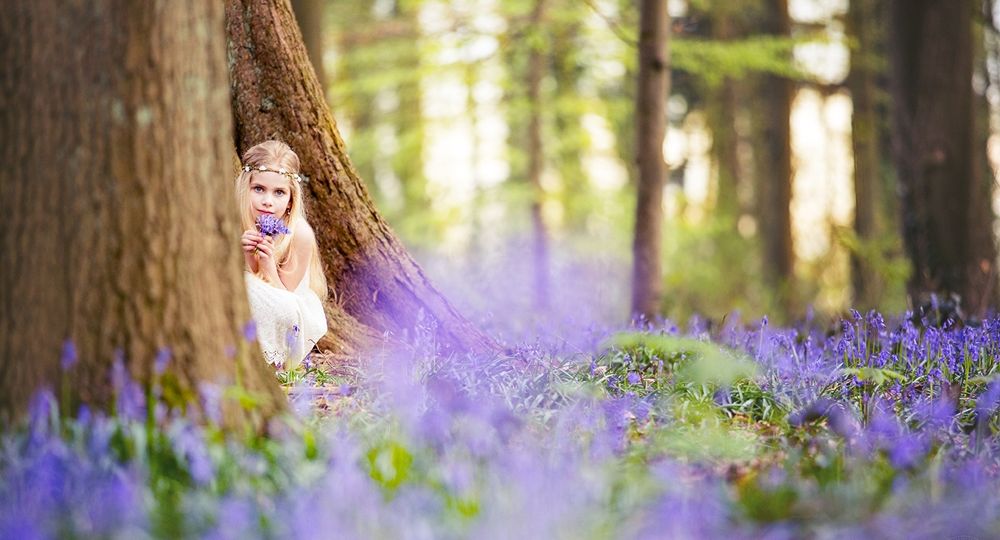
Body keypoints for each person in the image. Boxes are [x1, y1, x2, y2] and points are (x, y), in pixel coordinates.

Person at [236, 140, 328, 370]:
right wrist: (246, 256)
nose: (268, 201)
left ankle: (269, 364)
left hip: (287, 315)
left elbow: (283, 300)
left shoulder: (299, 234)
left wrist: (266, 264)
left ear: (290, 200)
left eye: (279, 192)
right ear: (245, 189)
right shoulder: (234, 223)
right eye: (259, 189)